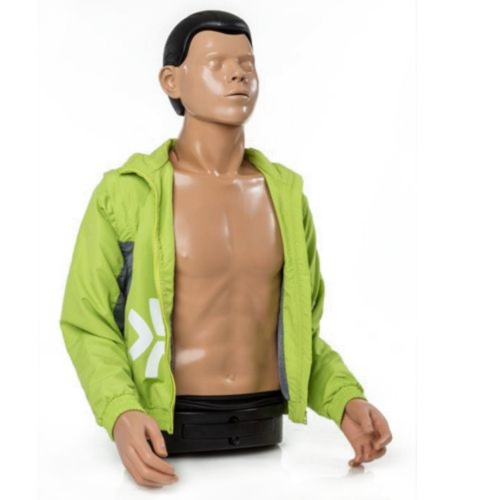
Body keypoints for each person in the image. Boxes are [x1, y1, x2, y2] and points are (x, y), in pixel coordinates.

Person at [60, 10, 392, 488]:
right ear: (172, 81)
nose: (238, 74)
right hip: (166, 443)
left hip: (271, 457)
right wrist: (121, 411)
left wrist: (345, 400)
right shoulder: (127, 194)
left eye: (247, 63)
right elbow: (88, 321)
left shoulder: (285, 195)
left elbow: (299, 333)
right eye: (216, 63)